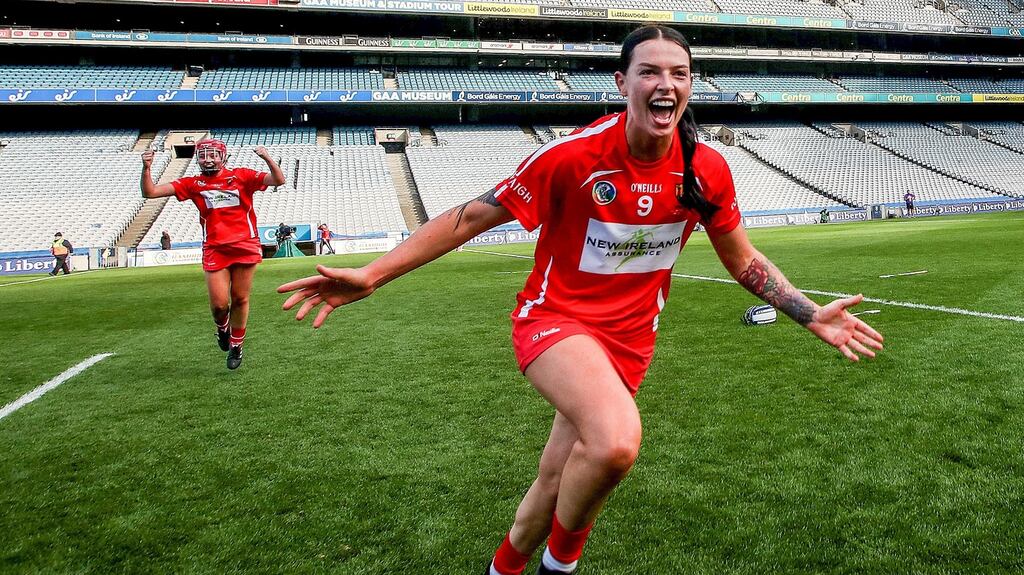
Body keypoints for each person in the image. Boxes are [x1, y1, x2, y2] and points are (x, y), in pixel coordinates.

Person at [278, 25, 884, 575]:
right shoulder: (571, 157)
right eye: (649, 71)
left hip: (630, 342)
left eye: (679, 72)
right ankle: (558, 569)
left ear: (691, 85)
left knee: (554, 481)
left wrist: (807, 313)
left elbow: (743, 259)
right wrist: (373, 274)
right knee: (617, 440)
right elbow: (470, 218)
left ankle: (505, 567)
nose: (665, 83)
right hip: (555, 322)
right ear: (622, 83)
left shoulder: (706, 172)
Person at [141, 139, 285, 370]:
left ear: (223, 157)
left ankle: (237, 345)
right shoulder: (193, 183)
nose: (207, 159)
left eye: (213, 155)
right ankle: (222, 329)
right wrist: (147, 168)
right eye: (203, 155)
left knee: (240, 298)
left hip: (245, 244)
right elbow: (150, 193)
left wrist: (267, 158)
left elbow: (279, 179)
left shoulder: (241, 176)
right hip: (215, 247)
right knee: (219, 305)